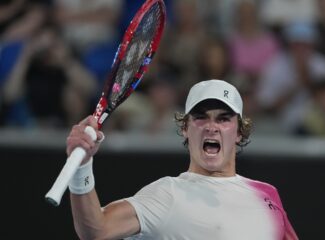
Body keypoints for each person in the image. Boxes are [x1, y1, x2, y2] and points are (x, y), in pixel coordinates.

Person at [66, 79, 298, 239]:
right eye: (200, 118)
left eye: (223, 119)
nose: (211, 127)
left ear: (238, 132)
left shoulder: (267, 195)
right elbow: (96, 230)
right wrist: (82, 167)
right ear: (185, 128)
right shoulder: (166, 195)